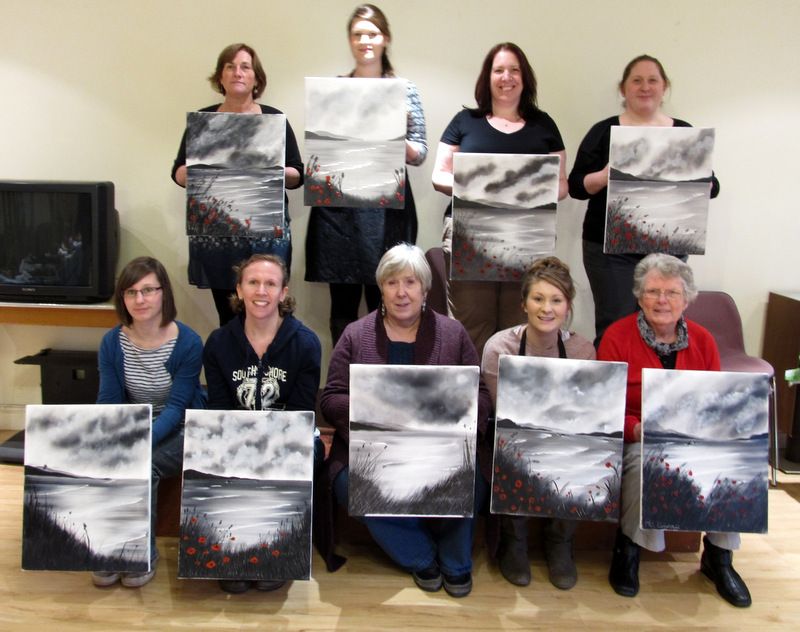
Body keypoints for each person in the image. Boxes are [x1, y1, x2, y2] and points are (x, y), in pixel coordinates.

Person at [318, 244, 491, 597]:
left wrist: (460, 426)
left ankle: (456, 562)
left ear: (425, 289)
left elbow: (481, 394)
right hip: (372, 448)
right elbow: (331, 396)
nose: (401, 292)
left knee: (470, 479)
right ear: (380, 288)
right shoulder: (355, 334)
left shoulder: (453, 334)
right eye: (392, 282)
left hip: (438, 449)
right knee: (349, 484)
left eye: (410, 282)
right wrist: (371, 416)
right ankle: (421, 555)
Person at [597, 253, 751, 608]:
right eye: (652, 291)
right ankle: (629, 549)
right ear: (639, 296)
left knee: (732, 460)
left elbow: (713, 403)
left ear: (686, 299)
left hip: (692, 437)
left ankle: (719, 556)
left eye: (671, 292)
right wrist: (635, 430)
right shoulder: (616, 337)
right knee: (641, 463)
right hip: (638, 437)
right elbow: (604, 409)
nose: (662, 300)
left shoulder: (704, 341)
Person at [568, 54, 720, 347]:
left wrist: (698, 180)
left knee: (663, 325)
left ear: (665, 88)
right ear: (623, 89)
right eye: (636, 80)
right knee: (615, 325)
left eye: (653, 80)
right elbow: (576, 185)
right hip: (608, 251)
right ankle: (615, 391)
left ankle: (649, 390)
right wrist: (604, 176)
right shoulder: (603, 131)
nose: (645, 87)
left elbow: (712, 188)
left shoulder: (684, 133)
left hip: (668, 251)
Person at [431, 42, 568, 357]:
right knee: (470, 325)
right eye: (499, 70)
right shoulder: (465, 121)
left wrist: (529, 187)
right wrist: (481, 187)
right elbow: (439, 176)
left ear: (525, 77)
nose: (507, 77)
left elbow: (562, 185)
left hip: (528, 238)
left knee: (520, 324)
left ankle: (510, 402)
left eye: (514, 69)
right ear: (487, 77)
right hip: (470, 237)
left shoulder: (543, 124)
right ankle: (476, 401)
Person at [304, 4, 427, 346]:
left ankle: (381, 378)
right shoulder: (334, 89)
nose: (364, 41)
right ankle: (344, 380)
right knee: (341, 305)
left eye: (371, 33)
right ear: (350, 40)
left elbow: (420, 153)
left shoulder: (404, 89)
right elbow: (319, 155)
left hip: (387, 211)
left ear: (385, 38)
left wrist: (392, 134)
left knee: (386, 299)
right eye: (358, 34)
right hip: (338, 212)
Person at [203, 253, 322, 594]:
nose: (261, 291)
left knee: (299, 458)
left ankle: (274, 551)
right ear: (238, 290)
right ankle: (234, 550)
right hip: (235, 439)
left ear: (284, 292)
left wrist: (263, 449)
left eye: (271, 283)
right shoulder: (218, 343)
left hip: (288, 438)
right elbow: (220, 411)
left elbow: (300, 414)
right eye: (253, 282)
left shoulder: (305, 343)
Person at [481, 257, 595, 590]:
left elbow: (586, 413)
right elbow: (503, 414)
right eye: (538, 299)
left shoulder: (582, 350)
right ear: (524, 304)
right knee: (514, 445)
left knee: (586, 449)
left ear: (568, 306)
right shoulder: (498, 348)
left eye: (556, 300)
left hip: (565, 437)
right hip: (515, 436)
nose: (547, 308)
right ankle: (513, 540)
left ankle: (560, 540)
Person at [171, 43, 304, 326]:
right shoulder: (205, 121)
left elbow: (298, 175)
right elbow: (178, 173)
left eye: (245, 66)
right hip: (219, 238)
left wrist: (269, 170)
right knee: (229, 318)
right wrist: (197, 171)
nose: (237, 72)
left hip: (267, 237)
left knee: (270, 316)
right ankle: (235, 370)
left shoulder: (274, 120)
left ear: (257, 77)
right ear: (220, 77)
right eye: (230, 66)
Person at [94, 257, 206, 588]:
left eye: (148, 290)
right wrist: (115, 436)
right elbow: (109, 400)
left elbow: (177, 406)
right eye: (131, 292)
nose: (140, 300)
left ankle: (140, 556)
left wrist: (138, 441)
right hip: (134, 423)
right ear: (122, 298)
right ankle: (107, 552)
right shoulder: (112, 342)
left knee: (143, 464)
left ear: (163, 293)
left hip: (182, 426)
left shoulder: (187, 342)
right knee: (102, 459)